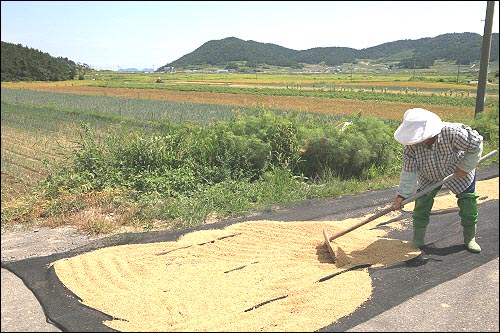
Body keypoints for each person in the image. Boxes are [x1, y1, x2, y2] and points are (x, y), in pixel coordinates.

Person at [392, 108, 483, 253]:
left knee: (468, 203)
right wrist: (401, 196)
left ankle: (470, 238)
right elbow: (408, 172)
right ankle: (418, 239)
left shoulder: (452, 132)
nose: (418, 141)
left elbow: (476, 144)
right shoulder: (411, 147)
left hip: (458, 171)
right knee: (422, 204)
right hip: (428, 174)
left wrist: (465, 167)